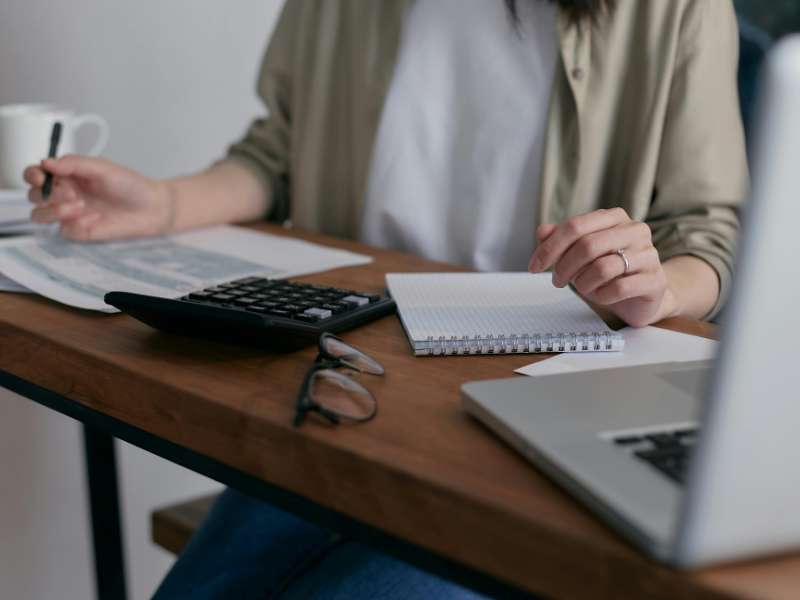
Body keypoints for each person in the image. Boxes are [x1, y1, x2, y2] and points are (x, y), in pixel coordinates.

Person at [24, 0, 748, 597]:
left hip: (546, 398)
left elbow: (708, 233)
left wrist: (654, 286)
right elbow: (276, 155)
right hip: (348, 380)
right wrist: (160, 202)